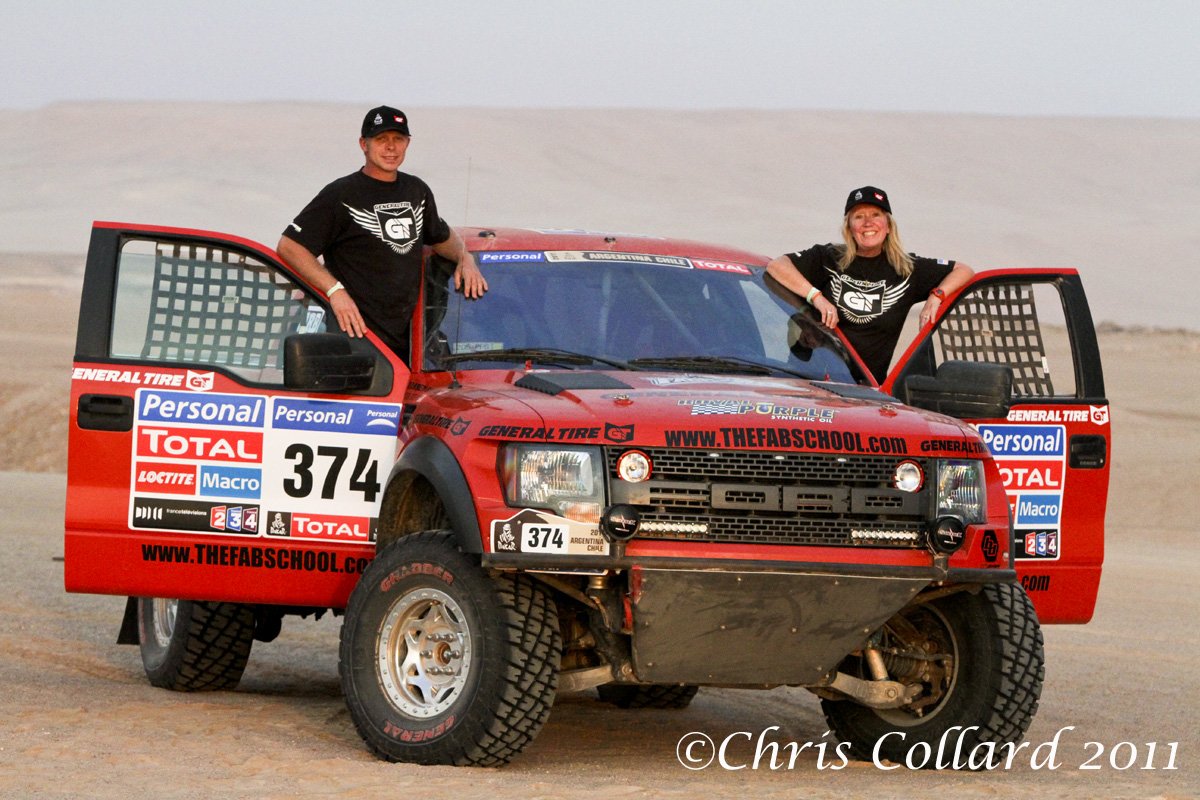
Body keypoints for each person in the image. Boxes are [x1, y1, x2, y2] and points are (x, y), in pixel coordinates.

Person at [278, 105, 487, 358]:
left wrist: (465, 257)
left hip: (409, 345)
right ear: (363, 144)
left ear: (407, 144)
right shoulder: (341, 194)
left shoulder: (416, 190)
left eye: (398, 139)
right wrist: (335, 292)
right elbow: (290, 246)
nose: (391, 147)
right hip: (356, 338)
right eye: (381, 139)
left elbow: (440, 236)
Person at [766, 186, 974, 383]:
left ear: (889, 226)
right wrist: (816, 297)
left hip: (864, 389)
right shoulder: (827, 257)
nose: (868, 223)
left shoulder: (908, 269)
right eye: (859, 216)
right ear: (849, 228)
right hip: (810, 378)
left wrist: (936, 296)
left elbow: (963, 270)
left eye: (875, 215)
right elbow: (777, 266)